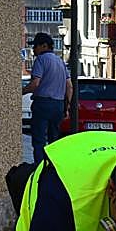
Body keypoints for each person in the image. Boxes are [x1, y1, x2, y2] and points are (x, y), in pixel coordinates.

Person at [24, 33, 72, 164]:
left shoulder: (41, 60)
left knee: (39, 140)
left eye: (36, 46)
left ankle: (39, 169)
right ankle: (53, 167)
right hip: (58, 105)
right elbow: (69, 87)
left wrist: (19, 92)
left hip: (43, 104)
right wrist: (66, 106)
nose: (34, 50)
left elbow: (35, 84)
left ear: (44, 46)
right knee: (54, 140)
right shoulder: (60, 61)